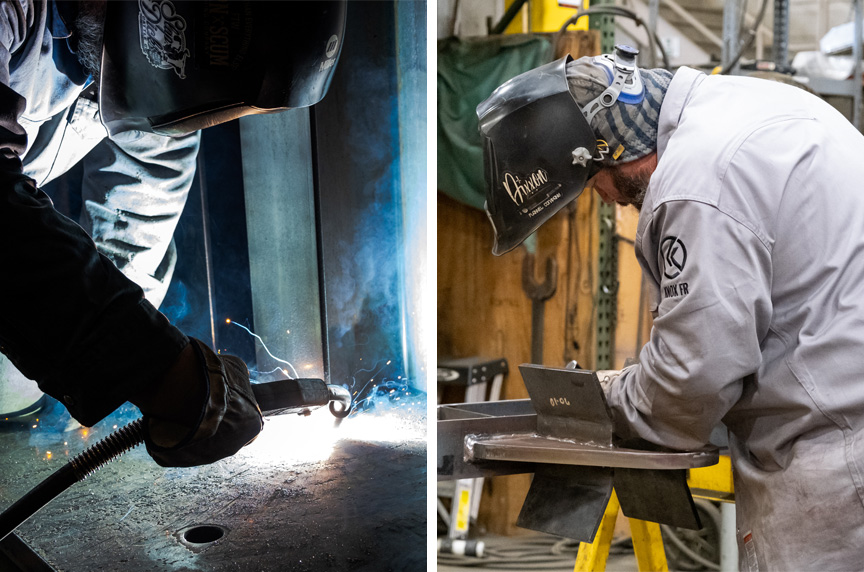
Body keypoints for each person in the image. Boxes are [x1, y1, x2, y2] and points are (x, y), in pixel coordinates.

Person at [478, 45, 864, 570]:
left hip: (837, 462)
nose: (606, 197)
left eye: (594, 181)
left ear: (607, 148)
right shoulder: (747, 106)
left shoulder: (698, 183)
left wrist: (609, 397)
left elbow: (690, 386)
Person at [0, 1, 345, 467]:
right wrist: (153, 368)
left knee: (15, 390)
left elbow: (147, 181)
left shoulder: (133, 58)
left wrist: (113, 374)